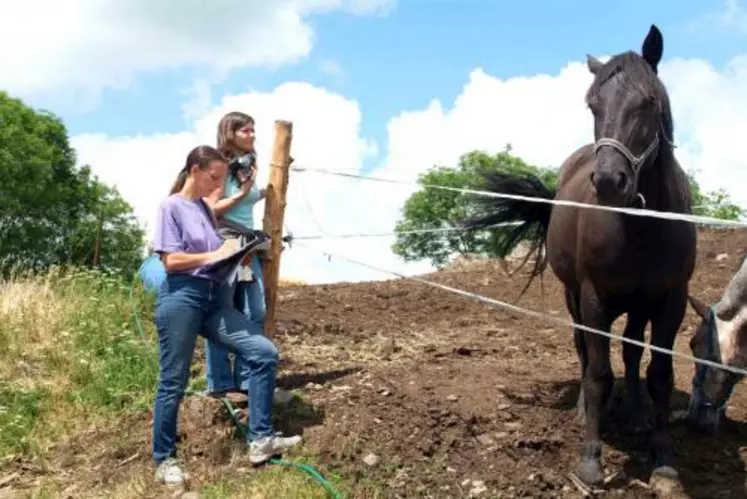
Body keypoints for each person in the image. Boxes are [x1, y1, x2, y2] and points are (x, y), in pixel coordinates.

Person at [151, 144, 301, 485]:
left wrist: (236, 254)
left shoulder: (205, 209)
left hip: (215, 298)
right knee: (173, 381)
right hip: (182, 297)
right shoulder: (171, 206)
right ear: (195, 171)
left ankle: (260, 440)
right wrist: (215, 254)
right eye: (213, 178)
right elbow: (171, 261)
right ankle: (164, 459)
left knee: (264, 353)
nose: (217, 186)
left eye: (221, 179)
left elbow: (215, 253)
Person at [202, 111, 267, 404]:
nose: (252, 135)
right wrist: (242, 193)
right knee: (221, 312)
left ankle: (245, 381)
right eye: (246, 131)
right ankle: (220, 383)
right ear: (230, 133)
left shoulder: (248, 167)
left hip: (248, 245)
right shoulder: (219, 167)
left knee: (256, 311)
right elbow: (211, 209)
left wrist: (268, 189)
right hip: (225, 244)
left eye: (253, 131)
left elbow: (249, 198)